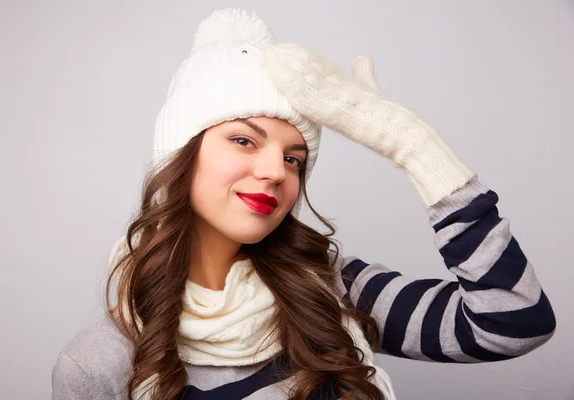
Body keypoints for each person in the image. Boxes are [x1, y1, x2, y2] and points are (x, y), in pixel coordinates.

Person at [51, 8, 556, 400]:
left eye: (294, 159)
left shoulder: (331, 288)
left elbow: (514, 320)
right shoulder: (100, 363)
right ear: (182, 155)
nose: (276, 171)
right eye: (244, 141)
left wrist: (412, 144)